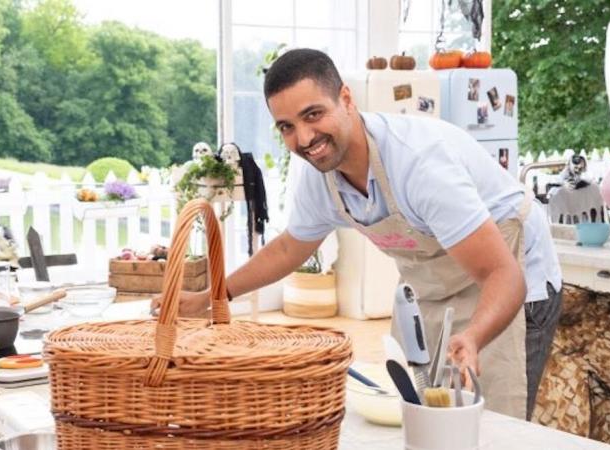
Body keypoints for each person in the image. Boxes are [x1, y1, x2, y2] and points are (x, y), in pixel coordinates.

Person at [156, 48, 562, 421]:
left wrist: (473, 337)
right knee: (415, 408)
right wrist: (213, 297)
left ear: (346, 99)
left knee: (489, 423)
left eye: (313, 115)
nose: (304, 139)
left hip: (510, 276)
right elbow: (287, 248)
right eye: (287, 127)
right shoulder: (320, 172)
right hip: (434, 287)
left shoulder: (419, 166)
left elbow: (502, 275)